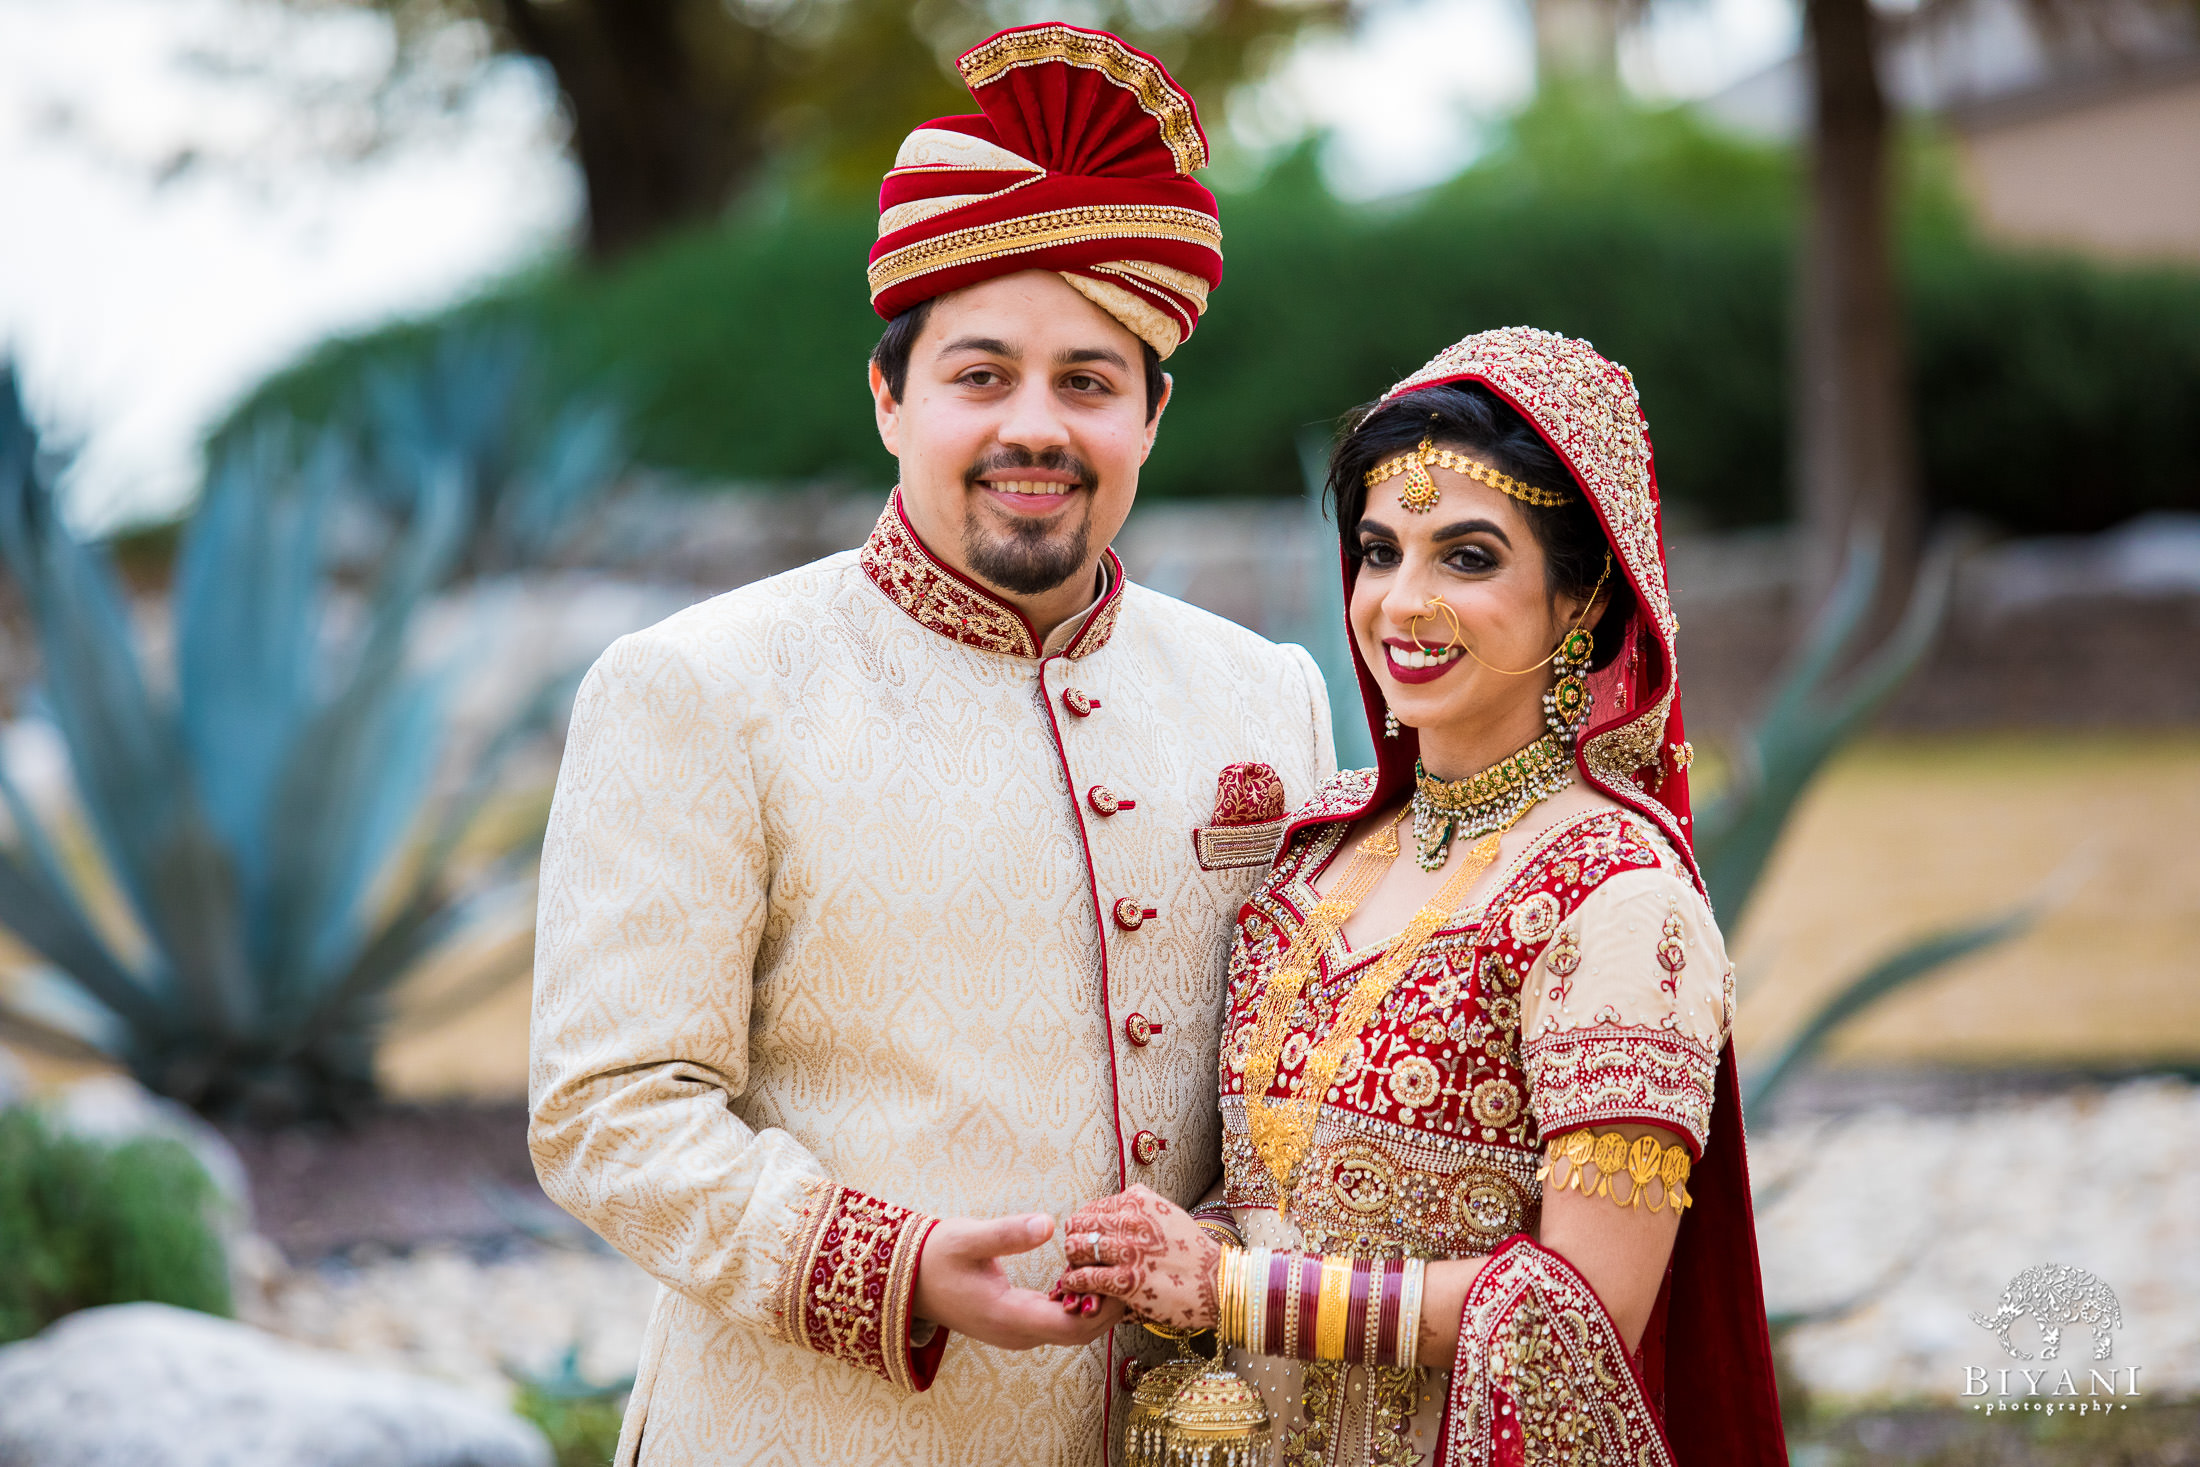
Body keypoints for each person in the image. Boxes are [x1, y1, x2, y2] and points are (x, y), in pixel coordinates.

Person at [527, 22, 1335, 1467]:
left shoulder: (1263, 692)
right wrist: (883, 1265)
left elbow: (1296, 1074)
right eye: (981, 375)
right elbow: (608, 1105)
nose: (1037, 424)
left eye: (1089, 381)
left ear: (1154, 414)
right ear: (891, 397)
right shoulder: (700, 685)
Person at [1057, 328, 1790, 1465]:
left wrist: (1238, 1291)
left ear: (1583, 599)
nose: (1402, 603)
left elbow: (1578, 1312)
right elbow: (1269, 1188)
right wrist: (1171, 1253)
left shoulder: (1617, 898)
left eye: (1468, 557)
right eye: (1378, 550)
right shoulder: (1314, 852)